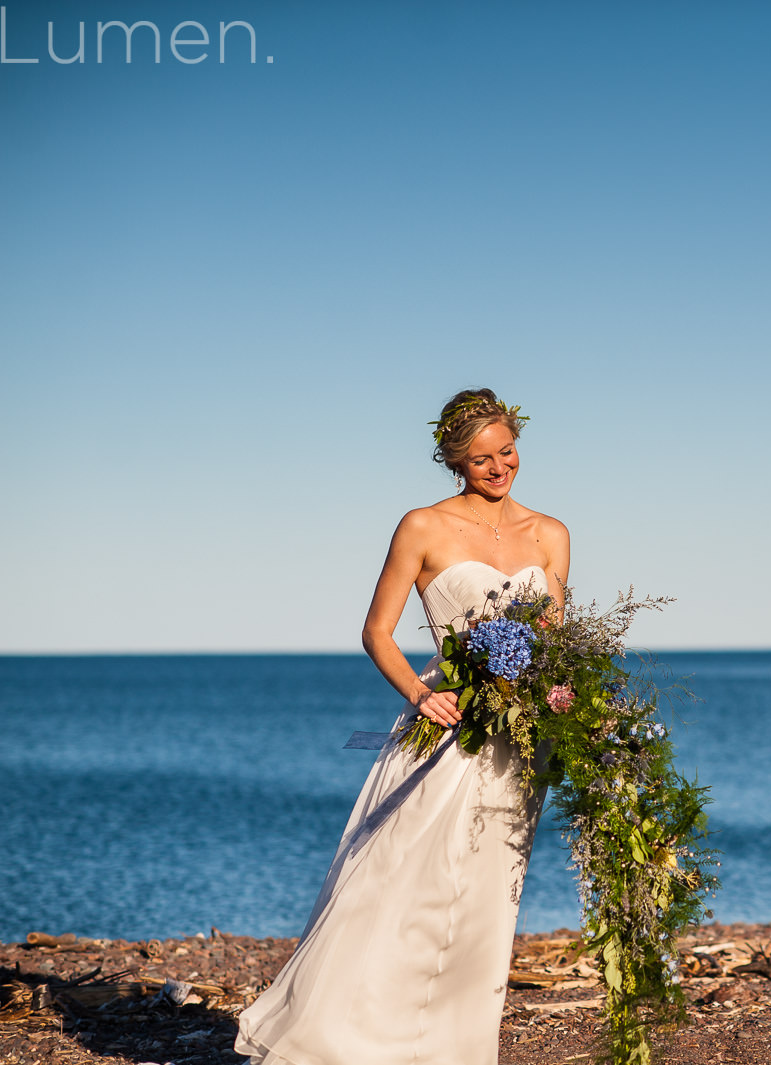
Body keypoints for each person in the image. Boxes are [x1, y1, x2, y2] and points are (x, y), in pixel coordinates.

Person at [235, 389, 570, 1065]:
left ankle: (454, 1047)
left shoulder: (552, 533)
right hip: (445, 730)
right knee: (397, 882)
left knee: (485, 897)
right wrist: (419, 692)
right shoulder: (422, 526)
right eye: (481, 458)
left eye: (506, 451)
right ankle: (341, 1038)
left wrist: (568, 701)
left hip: (520, 745)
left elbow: (558, 642)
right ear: (455, 461)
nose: (498, 466)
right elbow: (377, 631)